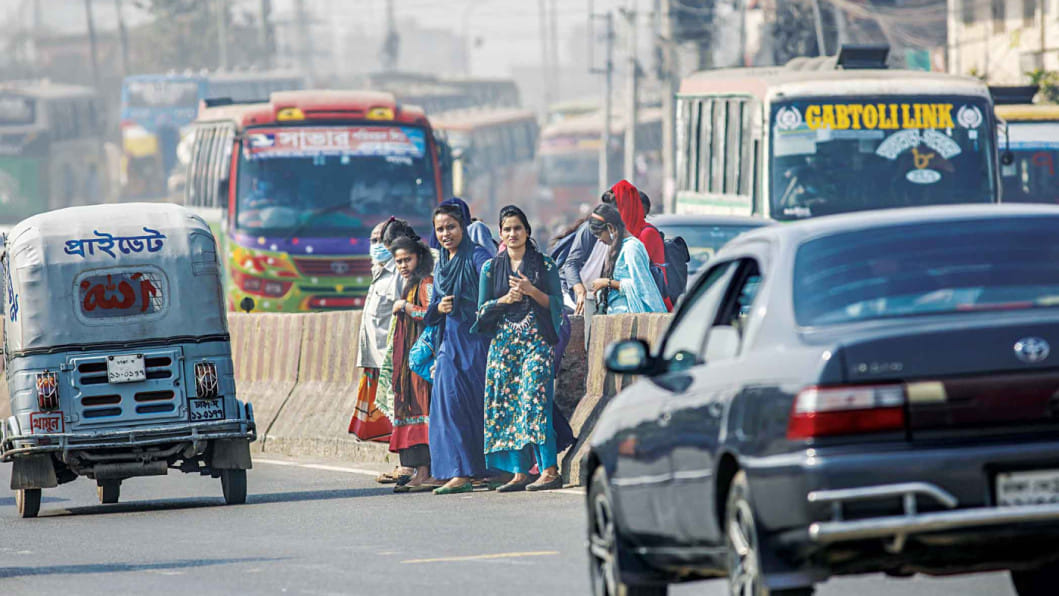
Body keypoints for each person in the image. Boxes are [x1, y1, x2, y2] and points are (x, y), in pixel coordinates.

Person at [474, 206, 564, 492]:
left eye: (517, 228)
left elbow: (558, 305)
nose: (512, 234)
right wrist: (504, 300)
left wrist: (530, 290)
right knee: (508, 404)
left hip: (537, 343)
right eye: (507, 229)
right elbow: (481, 311)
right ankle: (519, 472)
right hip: (503, 346)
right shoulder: (490, 269)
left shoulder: (545, 265)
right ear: (500, 234)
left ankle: (549, 470)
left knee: (535, 400)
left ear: (527, 231)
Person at [424, 202, 494, 495]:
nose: (445, 234)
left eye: (451, 227)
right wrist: (439, 307)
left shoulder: (477, 255)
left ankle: (480, 470)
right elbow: (430, 311)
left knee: (476, 406)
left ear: (463, 226)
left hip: (477, 341)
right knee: (447, 405)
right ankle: (457, 471)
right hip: (450, 342)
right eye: (440, 229)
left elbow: (494, 283)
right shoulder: (441, 264)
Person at [386, 234, 441, 493]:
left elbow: (431, 315)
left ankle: (427, 472)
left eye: (407, 259)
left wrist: (405, 307)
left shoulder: (426, 282)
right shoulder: (409, 284)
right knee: (411, 410)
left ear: (419, 257)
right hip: (408, 361)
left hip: (422, 360)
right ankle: (419, 471)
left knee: (423, 409)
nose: (403, 265)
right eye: (399, 261)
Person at [350, 221, 398, 482]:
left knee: (399, 413)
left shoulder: (398, 273)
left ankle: (409, 466)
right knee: (390, 415)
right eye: (373, 240)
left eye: (383, 240)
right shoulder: (379, 272)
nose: (377, 246)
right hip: (376, 358)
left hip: (390, 358)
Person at [588, 203, 667, 314]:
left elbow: (642, 287)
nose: (599, 240)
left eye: (599, 234)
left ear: (610, 228)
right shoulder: (618, 247)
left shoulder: (632, 248)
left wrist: (608, 283)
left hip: (631, 316)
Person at [611, 180, 672, 311]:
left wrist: (609, 283)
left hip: (653, 301)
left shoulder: (646, 233)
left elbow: (638, 274)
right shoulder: (628, 232)